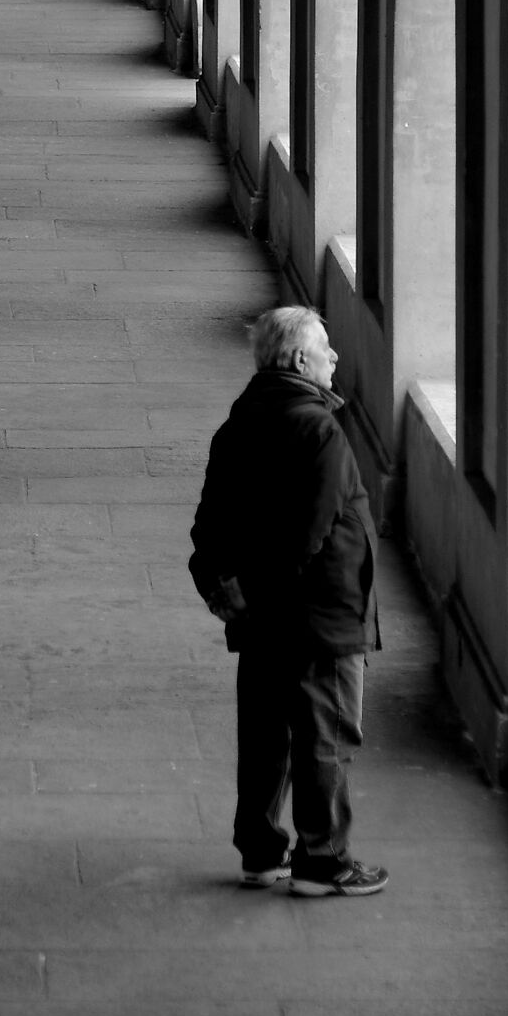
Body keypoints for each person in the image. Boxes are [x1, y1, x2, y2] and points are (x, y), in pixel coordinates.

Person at [188, 304, 388, 897]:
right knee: (326, 735)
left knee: (265, 736)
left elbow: (209, 525)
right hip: (322, 616)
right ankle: (322, 862)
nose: (334, 356)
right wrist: (265, 596)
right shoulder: (320, 430)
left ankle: (260, 852)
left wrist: (223, 588)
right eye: (325, 347)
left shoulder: (238, 424)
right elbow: (309, 534)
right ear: (300, 359)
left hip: (259, 616)